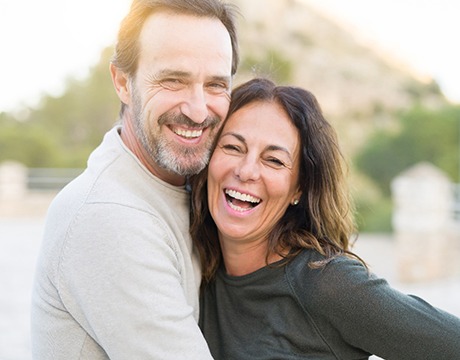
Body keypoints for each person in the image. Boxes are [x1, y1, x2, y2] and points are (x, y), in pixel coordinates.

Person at [190, 78, 460, 360]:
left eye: (274, 160)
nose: (246, 171)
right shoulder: (189, 265)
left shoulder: (327, 283)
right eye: (233, 147)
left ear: (299, 188)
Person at [31, 0, 239, 358]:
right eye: (174, 80)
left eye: (217, 85)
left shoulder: (191, 187)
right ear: (123, 83)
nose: (198, 109)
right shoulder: (108, 217)